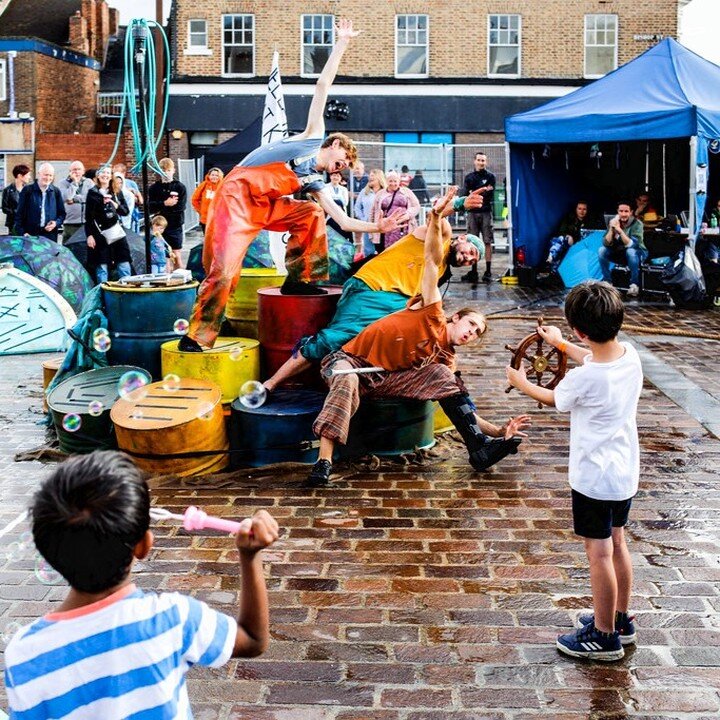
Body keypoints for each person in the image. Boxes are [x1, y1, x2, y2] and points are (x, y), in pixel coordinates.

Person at [178, 19, 405, 353]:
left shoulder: (314, 182)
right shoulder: (312, 139)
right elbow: (323, 86)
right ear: (334, 144)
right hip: (238, 198)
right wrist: (342, 43)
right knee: (223, 270)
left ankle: (301, 280)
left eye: (346, 165)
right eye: (343, 157)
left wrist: (377, 225)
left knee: (312, 212)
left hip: (265, 207)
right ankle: (197, 335)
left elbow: (341, 221)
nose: (342, 165)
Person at [4, 450, 279, 718]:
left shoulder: (23, 653)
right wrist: (249, 555)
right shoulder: (172, 619)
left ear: (48, 553)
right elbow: (253, 639)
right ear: (144, 545)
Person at [305, 187, 524, 486]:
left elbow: (457, 403)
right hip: (352, 362)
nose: (471, 333)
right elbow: (432, 261)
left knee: (446, 377)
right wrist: (437, 214)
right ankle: (324, 462)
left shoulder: (445, 356)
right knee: (347, 378)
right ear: (456, 316)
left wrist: (497, 432)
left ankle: (478, 448)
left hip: (389, 378)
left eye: (476, 334)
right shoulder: (431, 309)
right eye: (471, 324)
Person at [506, 281, 641, 661]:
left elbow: (555, 398)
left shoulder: (585, 378)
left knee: (597, 553)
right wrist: (562, 344)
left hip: (594, 478)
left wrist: (521, 382)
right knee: (618, 543)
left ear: (580, 329)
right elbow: (593, 356)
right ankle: (619, 619)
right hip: (624, 472)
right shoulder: (629, 355)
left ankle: (603, 636)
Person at [263, 191, 486, 394]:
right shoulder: (440, 239)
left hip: (396, 302)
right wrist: (460, 204)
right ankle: (271, 383)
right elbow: (437, 216)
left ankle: (371, 383)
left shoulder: (442, 272)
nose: (468, 259)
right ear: (463, 238)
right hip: (372, 287)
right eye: (471, 252)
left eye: (473, 261)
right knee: (337, 337)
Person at [85, 166, 132, 284]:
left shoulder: (116, 192)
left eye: (107, 173)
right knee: (102, 266)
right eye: (102, 173)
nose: (105, 175)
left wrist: (114, 204)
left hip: (116, 231)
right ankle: (103, 292)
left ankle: (127, 289)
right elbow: (88, 217)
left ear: (111, 176)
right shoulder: (92, 193)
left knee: (123, 262)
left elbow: (125, 211)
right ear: (98, 176)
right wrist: (89, 235)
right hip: (100, 233)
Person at [599, 200, 646, 298]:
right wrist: (612, 229)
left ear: (631, 212)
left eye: (626, 211)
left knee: (630, 251)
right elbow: (606, 243)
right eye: (621, 211)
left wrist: (620, 231)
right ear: (618, 211)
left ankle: (634, 285)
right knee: (601, 250)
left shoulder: (637, 224)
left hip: (637, 253)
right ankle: (608, 282)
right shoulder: (614, 222)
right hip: (620, 252)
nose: (623, 214)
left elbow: (632, 245)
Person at [148, 157, 187, 270]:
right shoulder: (154, 188)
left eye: (168, 170)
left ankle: (180, 277)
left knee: (176, 254)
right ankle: (166, 278)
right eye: (163, 170)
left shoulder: (179, 187)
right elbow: (150, 206)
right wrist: (165, 203)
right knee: (163, 255)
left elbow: (181, 206)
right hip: (160, 225)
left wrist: (162, 207)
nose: (166, 173)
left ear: (173, 170)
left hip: (175, 224)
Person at [463, 152, 496, 283]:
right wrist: (483, 189)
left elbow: (489, 194)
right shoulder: (469, 177)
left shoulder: (491, 176)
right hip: (472, 213)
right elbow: (465, 194)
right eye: (479, 160)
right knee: (472, 242)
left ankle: (488, 271)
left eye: (483, 160)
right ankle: (474, 271)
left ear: (486, 162)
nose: (481, 162)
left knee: (487, 241)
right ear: (474, 161)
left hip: (486, 212)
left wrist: (475, 191)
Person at [369, 169, 421, 250]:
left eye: (395, 181)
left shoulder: (407, 192)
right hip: (385, 229)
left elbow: (416, 206)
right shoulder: (380, 194)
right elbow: (373, 212)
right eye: (390, 181)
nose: (393, 184)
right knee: (384, 253)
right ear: (386, 181)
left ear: (399, 181)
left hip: (404, 228)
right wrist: (372, 232)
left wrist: (408, 214)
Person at [14, 163, 65, 242]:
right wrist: (23, 233)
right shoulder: (27, 190)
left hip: (50, 236)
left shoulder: (56, 191)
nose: (48, 178)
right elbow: (19, 214)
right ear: (38, 174)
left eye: (51, 175)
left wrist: (55, 223)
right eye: (46, 175)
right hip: (30, 236)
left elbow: (62, 214)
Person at [58, 161, 95, 244]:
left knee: (85, 251)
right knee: (69, 249)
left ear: (83, 171)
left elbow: (92, 198)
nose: (77, 172)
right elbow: (67, 197)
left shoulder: (89, 182)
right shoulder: (63, 183)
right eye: (74, 169)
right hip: (70, 223)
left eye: (79, 169)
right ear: (70, 171)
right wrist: (74, 183)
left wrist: (75, 200)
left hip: (86, 223)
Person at [546, 201, 589, 272]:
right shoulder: (569, 219)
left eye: (584, 209)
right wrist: (568, 236)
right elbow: (560, 232)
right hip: (568, 245)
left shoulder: (591, 222)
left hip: (582, 247)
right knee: (559, 239)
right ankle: (551, 258)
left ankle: (552, 259)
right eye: (579, 209)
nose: (582, 211)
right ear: (576, 209)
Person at [353, 168, 386, 260]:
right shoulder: (364, 192)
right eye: (370, 176)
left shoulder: (385, 192)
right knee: (368, 251)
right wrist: (363, 218)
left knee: (382, 250)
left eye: (372, 176)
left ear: (379, 178)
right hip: (368, 225)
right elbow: (357, 207)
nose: (370, 178)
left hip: (381, 225)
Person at [191, 167, 224, 233]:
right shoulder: (204, 185)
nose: (214, 177)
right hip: (205, 219)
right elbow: (194, 199)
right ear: (209, 176)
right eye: (212, 175)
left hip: (219, 219)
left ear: (220, 176)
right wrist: (200, 210)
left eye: (217, 175)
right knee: (207, 239)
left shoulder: (223, 186)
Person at [1, 163, 31, 234]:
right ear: (20, 176)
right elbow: (4, 208)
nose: (29, 177)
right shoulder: (7, 190)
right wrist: (17, 211)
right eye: (27, 175)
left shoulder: (29, 190)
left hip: (28, 224)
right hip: (13, 224)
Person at [113, 163, 143, 232]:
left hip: (132, 213)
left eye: (117, 172)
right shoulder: (112, 183)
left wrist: (134, 196)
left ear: (123, 173)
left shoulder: (131, 183)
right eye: (113, 172)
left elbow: (141, 201)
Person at [326, 170, 352, 240]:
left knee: (341, 235)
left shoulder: (343, 189)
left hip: (341, 214)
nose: (336, 178)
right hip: (329, 215)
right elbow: (327, 200)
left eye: (338, 176)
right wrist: (338, 200)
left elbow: (345, 202)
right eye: (334, 175)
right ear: (330, 176)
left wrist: (335, 200)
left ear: (340, 178)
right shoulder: (325, 187)